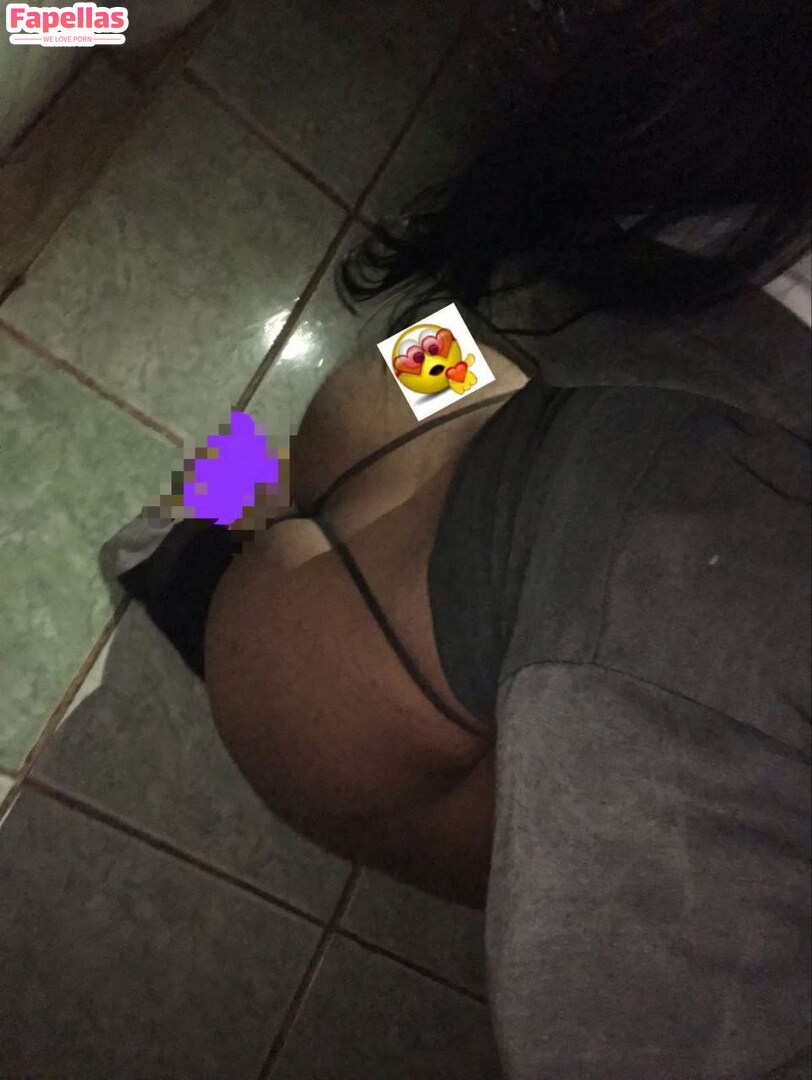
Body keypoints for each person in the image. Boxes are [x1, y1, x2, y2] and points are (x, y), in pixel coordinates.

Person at [113, 1, 811, 1076]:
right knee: (305, 588)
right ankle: (206, 539)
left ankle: (213, 511)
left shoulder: (726, 135)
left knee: (310, 464)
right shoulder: (737, 595)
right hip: (328, 684)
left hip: (434, 384)